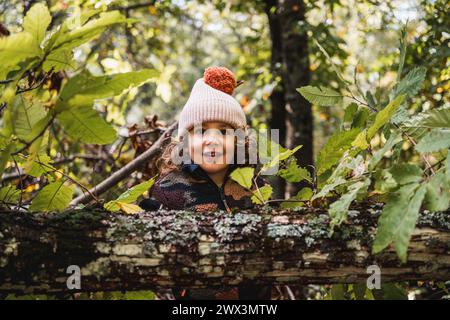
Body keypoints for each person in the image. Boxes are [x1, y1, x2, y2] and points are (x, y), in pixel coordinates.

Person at [139, 66, 272, 300]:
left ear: (240, 140)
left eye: (223, 132)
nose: (212, 140)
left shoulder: (255, 187)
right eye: (200, 131)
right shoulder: (170, 189)